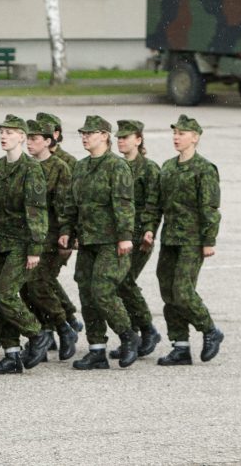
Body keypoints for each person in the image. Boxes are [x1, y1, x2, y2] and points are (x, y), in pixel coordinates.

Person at [59, 115, 139, 371]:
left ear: (105, 135)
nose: (84, 137)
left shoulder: (117, 166)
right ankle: (96, 350)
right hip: (88, 240)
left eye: (90, 133)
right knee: (86, 293)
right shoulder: (81, 167)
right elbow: (73, 204)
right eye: (82, 133)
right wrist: (67, 231)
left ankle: (129, 337)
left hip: (111, 241)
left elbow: (124, 204)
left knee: (103, 291)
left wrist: (125, 236)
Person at [156, 115, 224, 366]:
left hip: (192, 241)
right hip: (169, 239)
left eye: (182, 133)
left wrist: (209, 240)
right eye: (174, 133)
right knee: (168, 292)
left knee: (183, 291)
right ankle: (180, 346)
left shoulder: (205, 169)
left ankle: (210, 330)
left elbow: (210, 208)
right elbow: (159, 205)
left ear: (195, 137)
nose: (176, 137)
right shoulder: (168, 167)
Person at [0, 115, 51, 375]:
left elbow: (36, 210)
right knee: (2, 298)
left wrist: (35, 248)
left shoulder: (31, 168)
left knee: (5, 293)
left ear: (22, 137)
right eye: (2, 131)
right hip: (1, 243)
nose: (4, 136)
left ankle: (37, 335)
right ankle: (12, 353)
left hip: (22, 244)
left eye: (10, 132)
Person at [22, 119, 78, 361]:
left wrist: (67, 235)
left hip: (52, 237)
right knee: (25, 287)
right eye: (28, 138)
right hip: (28, 237)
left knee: (40, 283)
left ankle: (64, 326)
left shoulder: (60, 167)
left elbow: (65, 206)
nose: (30, 143)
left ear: (48, 141)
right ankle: (46, 331)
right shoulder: (26, 166)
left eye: (35, 139)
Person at [109, 120, 162, 360]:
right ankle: (135, 334)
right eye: (119, 137)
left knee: (125, 281)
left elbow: (153, 203)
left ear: (138, 140)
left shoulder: (149, 169)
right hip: (119, 234)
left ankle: (147, 329)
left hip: (140, 235)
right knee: (119, 284)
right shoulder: (115, 166)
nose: (121, 141)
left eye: (126, 137)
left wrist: (149, 230)